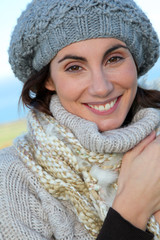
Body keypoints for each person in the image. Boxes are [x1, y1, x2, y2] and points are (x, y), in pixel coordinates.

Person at [1, 0, 160, 239]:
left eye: (114, 59)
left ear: (135, 62)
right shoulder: (12, 178)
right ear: (49, 80)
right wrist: (131, 211)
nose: (101, 87)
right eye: (74, 67)